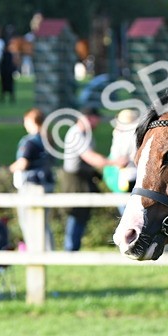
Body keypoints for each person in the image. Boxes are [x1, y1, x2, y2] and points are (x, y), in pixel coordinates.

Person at [59, 107, 121, 252]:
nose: (98, 123)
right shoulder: (77, 134)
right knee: (75, 213)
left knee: (80, 216)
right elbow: (91, 157)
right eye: (96, 119)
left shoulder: (86, 134)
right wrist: (114, 163)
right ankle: (70, 250)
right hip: (75, 181)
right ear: (88, 118)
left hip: (82, 178)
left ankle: (73, 249)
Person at [10, 108, 56, 249]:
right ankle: (49, 250)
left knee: (29, 220)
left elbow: (23, 162)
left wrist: (11, 168)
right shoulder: (48, 139)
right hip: (47, 183)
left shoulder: (30, 141)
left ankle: (35, 251)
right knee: (42, 221)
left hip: (32, 185)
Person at [0, 26, 16, 103]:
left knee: (6, 83)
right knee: (6, 83)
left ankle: (7, 97)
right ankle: (6, 97)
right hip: (6, 66)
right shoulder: (8, 42)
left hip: (7, 66)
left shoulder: (8, 42)